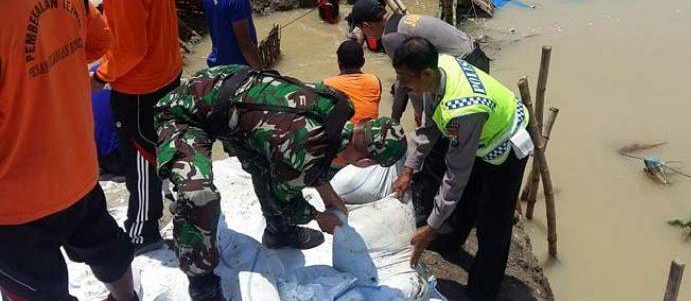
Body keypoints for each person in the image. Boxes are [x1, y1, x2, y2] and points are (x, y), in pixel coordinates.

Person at [155, 65, 407, 301]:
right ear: (364, 163)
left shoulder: (340, 105)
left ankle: (278, 233)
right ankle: (201, 281)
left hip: (229, 90)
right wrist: (319, 216)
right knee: (199, 195)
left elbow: (304, 149)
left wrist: (330, 196)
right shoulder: (305, 150)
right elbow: (288, 200)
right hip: (185, 111)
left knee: (264, 165)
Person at [0, 0, 137, 300]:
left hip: (15, 198)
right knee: (106, 250)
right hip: (76, 169)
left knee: (33, 288)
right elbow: (98, 44)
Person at [65, 0, 182, 253]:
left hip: (140, 86)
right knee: (157, 146)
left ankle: (143, 228)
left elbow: (130, 50)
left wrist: (99, 76)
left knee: (141, 158)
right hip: (166, 68)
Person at [390, 37, 532, 301]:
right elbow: (429, 128)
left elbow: (456, 173)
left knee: (493, 222)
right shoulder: (439, 69)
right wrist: (408, 170)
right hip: (480, 137)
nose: (402, 84)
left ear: (426, 74)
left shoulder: (462, 109)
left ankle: (483, 290)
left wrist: (430, 227)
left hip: (505, 145)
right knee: (466, 199)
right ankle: (451, 241)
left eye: (405, 78)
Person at [349, 0, 486, 122]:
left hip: (464, 66)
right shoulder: (401, 19)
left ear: (367, 26)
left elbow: (406, 80)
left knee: (445, 127)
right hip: (477, 56)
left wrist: (398, 118)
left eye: (361, 29)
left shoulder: (389, 37)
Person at [323, 40, 381, 125]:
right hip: (371, 133)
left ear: (339, 62)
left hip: (345, 134)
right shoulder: (374, 80)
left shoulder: (327, 84)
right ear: (363, 62)